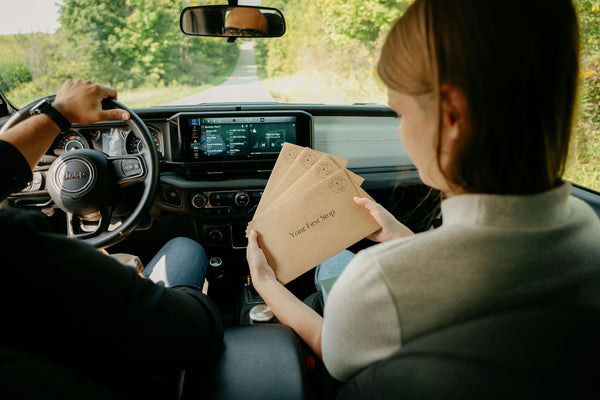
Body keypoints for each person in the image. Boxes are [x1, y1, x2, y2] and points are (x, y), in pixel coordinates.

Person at [247, 0, 600, 384]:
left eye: (399, 113)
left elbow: (329, 349)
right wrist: (402, 237)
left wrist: (266, 284)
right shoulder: (591, 238)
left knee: (332, 267)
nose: (399, 131)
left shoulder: (380, 281)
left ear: (451, 117)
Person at [0, 80, 223, 397]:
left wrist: (60, 113)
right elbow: (198, 330)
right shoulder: (21, 249)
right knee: (186, 248)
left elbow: (3, 164)